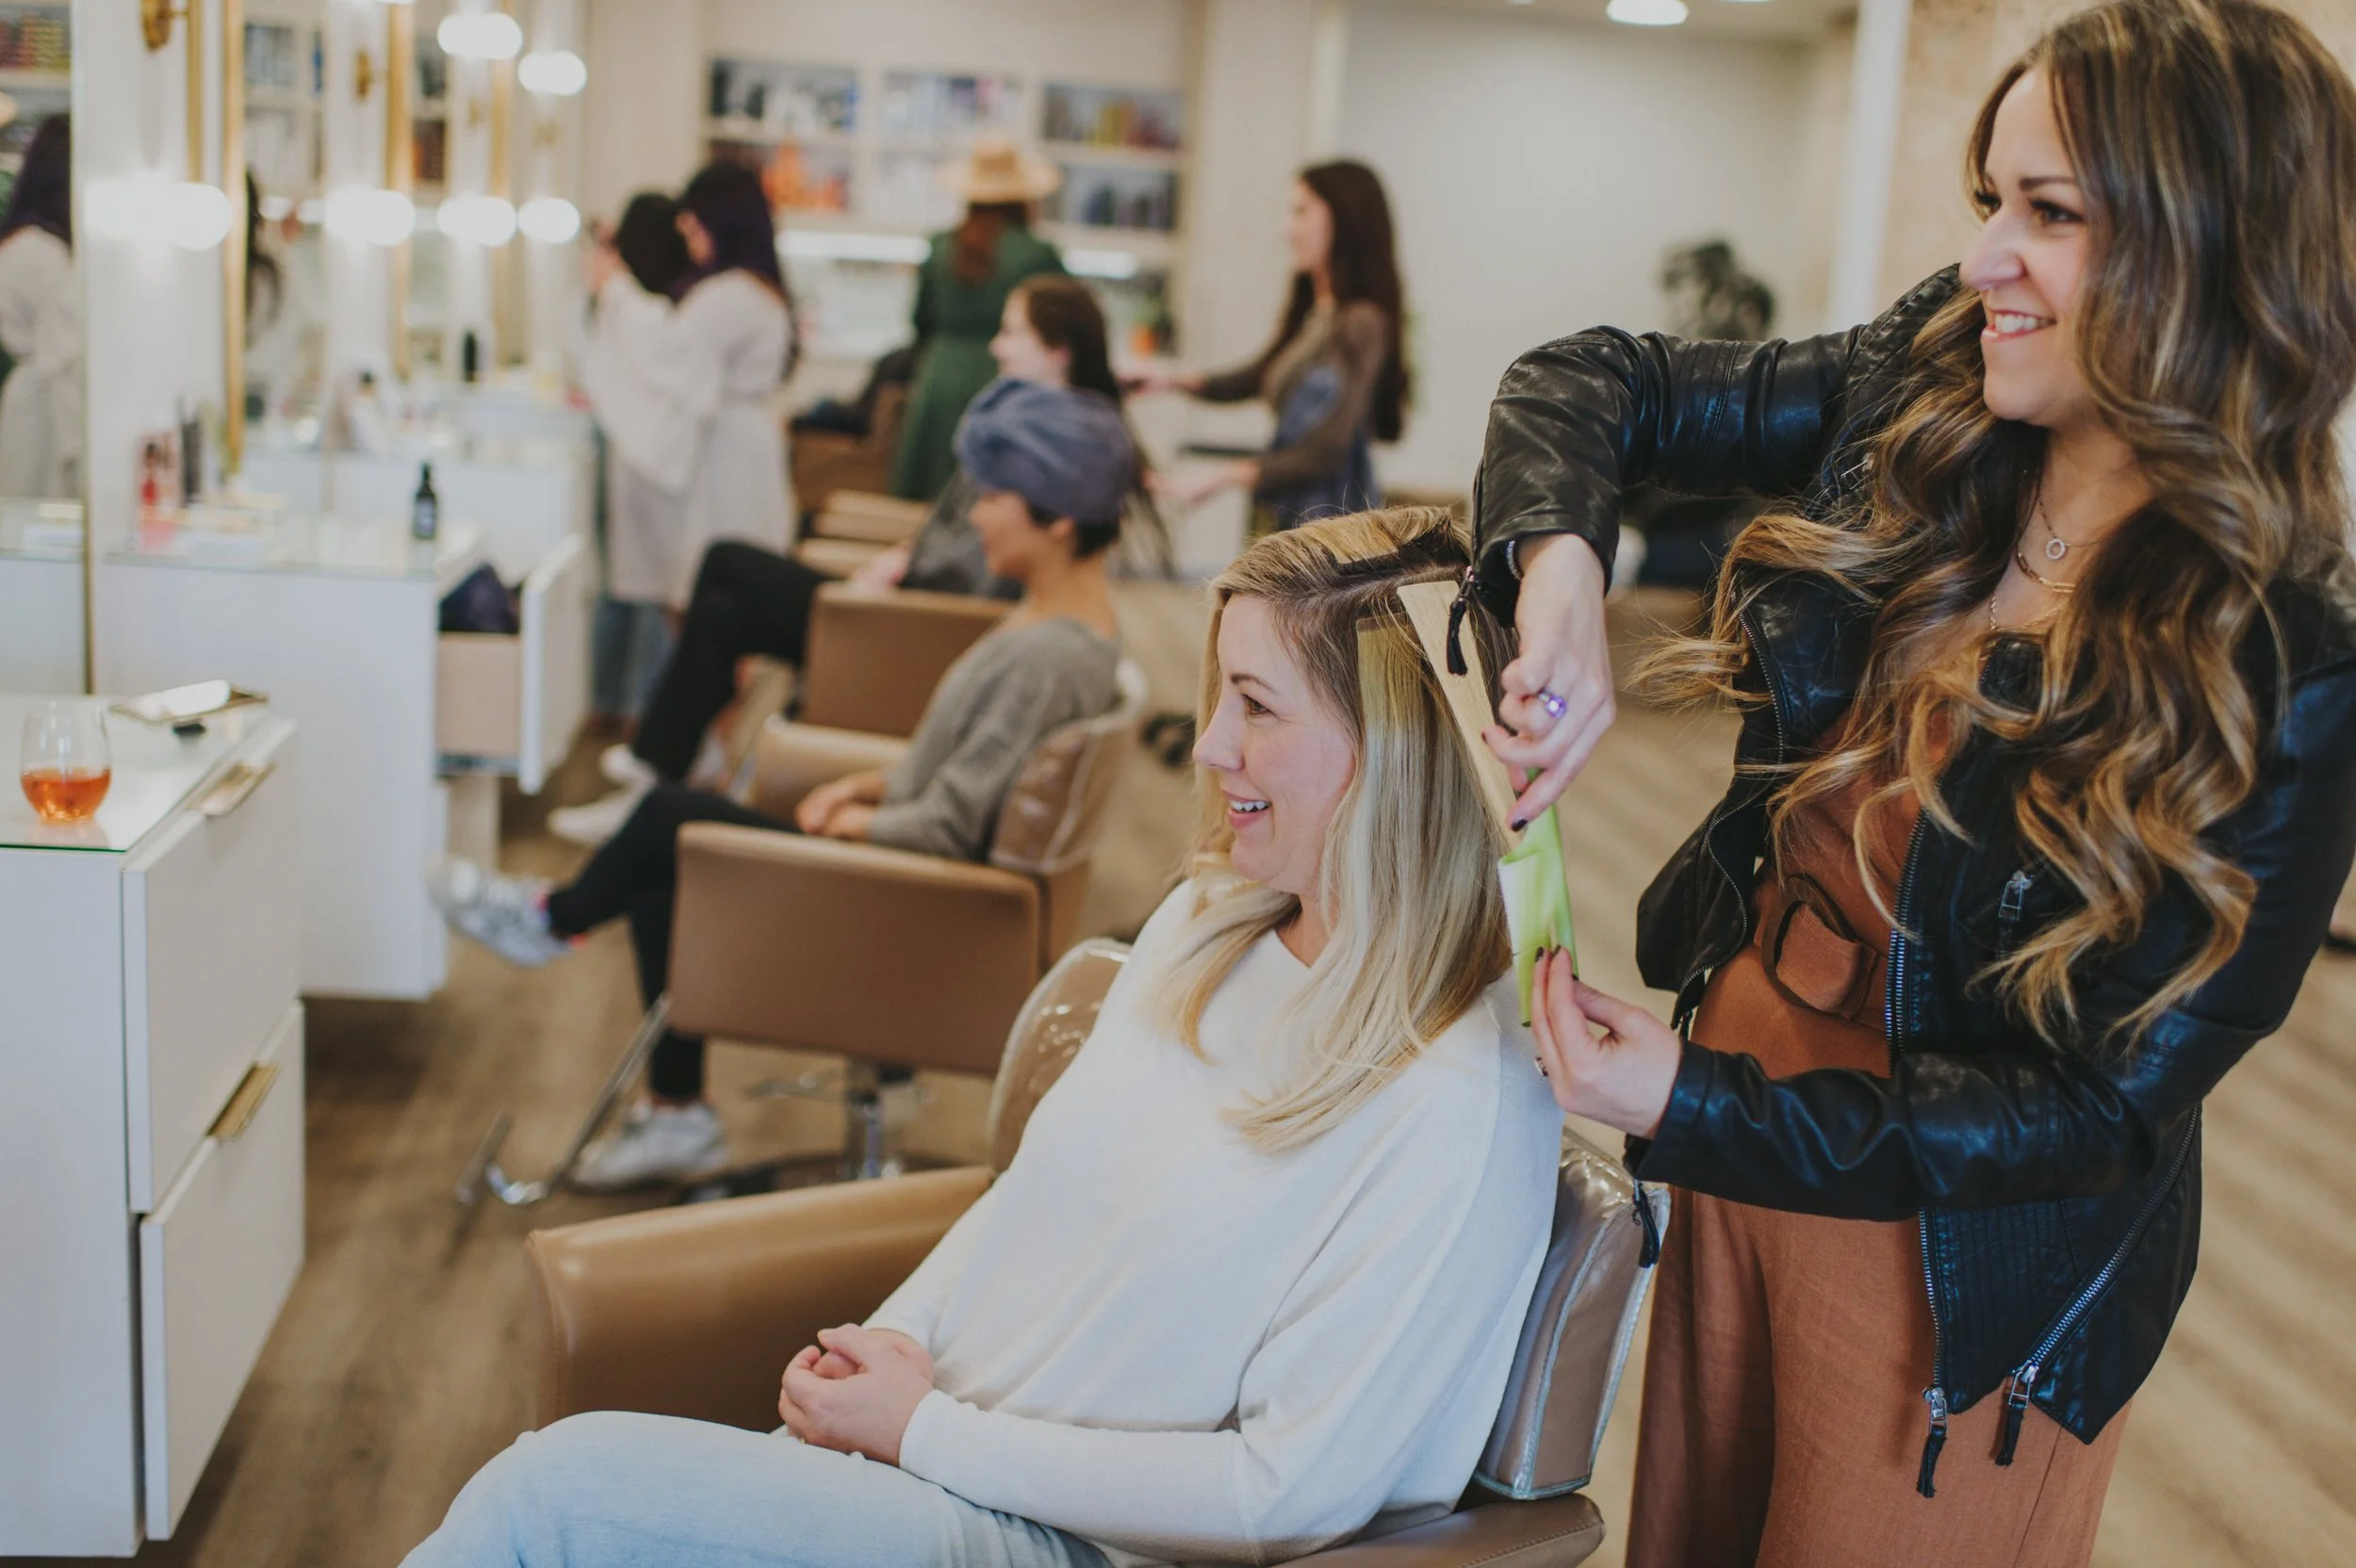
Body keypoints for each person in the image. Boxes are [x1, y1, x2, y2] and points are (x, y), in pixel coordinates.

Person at [1470, 3, 2356, 1562]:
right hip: (1741, 1105)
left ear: (2218, 253)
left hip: (1953, 1250)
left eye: (2054, 214)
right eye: (1992, 200)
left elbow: (2094, 1103)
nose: (1987, 259)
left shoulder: (2288, 654)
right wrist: (1559, 569)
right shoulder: (1930, 381)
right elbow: (1591, 379)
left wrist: (1695, 1103)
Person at [399, 506, 1562, 1568]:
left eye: (1256, 707)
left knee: (549, 1499)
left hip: (1060, 1541)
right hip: (939, 1466)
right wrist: (889, 1346)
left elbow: (1284, 1494)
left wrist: (924, 1431)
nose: (1208, 747)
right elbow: (1026, 1202)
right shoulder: (1212, 920)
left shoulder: (1454, 1096)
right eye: (1220, 697)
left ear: (1395, 747)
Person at [432, 380, 1134, 1187]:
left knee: (669, 820)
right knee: (673, 869)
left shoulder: (1046, 658)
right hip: (919, 891)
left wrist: (856, 827)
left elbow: (948, 826)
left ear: (1058, 517)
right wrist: (869, 787)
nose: (974, 515)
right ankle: (677, 1112)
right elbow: (958, 771)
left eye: (996, 497)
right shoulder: (1062, 628)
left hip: (918, 912)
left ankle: (550, 923)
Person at [552, 274, 1138, 847]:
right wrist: (903, 555)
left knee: (729, 575)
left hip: (913, 626)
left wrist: (903, 576)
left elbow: (980, 577)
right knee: (725, 596)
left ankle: (660, 766)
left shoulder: (1054, 463)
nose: (993, 344)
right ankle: (668, 760)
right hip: (910, 598)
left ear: (1057, 350)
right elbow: (963, 540)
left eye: (1010, 331)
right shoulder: (1028, 437)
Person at [1139, 160, 1407, 532]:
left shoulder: (1360, 324)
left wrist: (1218, 478)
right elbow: (1259, 375)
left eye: (1301, 211)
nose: (1286, 230)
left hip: (1328, 529)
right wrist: (1170, 381)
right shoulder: (1319, 314)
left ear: (1345, 218)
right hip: (1300, 519)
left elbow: (1326, 450)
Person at [581, 162, 795, 611]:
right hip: (738, 444)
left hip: (729, 454)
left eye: (695, 225)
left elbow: (668, 354)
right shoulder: (751, 290)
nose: (689, 237)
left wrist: (618, 290)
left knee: (720, 588)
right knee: (723, 585)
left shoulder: (731, 294)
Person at [890, 134, 1065, 502]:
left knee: (929, 498)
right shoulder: (1037, 254)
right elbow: (1059, 326)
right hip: (1005, 380)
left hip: (938, 376)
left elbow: (919, 321)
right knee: (992, 496)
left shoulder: (940, 247)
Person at [585, 190, 697, 719]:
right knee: (655, 587)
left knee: (630, 585)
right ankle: (641, 708)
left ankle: (618, 703)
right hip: (647, 458)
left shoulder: (618, 297)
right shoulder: (640, 307)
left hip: (629, 451)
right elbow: (673, 373)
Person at [0, 114, 77, 498]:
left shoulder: (30, 242)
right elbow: (61, 351)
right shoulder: (41, 252)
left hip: (38, 401)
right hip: (42, 409)